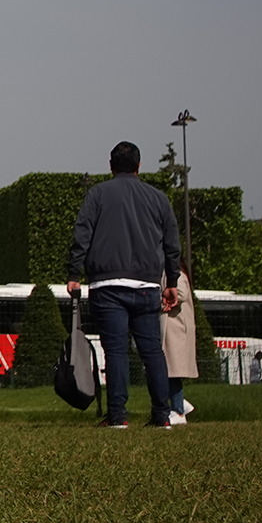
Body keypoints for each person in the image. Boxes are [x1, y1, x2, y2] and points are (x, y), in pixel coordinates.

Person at [66, 141, 181, 429]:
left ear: (110, 165)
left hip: (108, 284)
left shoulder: (97, 194)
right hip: (147, 284)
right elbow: (171, 244)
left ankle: (118, 416)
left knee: (115, 350)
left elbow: (83, 235)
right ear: (139, 166)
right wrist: (172, 281)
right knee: (152, 350)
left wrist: (74, 273)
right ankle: (161, 415)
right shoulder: (158, 198)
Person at [163, 264, 196, 424]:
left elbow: (180, 295)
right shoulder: (172, 273)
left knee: (171, 372)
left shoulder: (177, 274)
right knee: (167, 371)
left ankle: (178, 410)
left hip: (175, 330)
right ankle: (179, 404)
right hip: (171, 330)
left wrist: (159, 300)